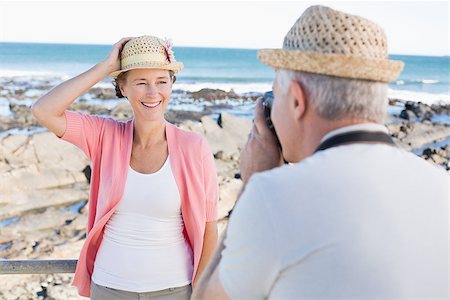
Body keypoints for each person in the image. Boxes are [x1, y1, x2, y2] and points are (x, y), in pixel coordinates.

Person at [193, 5, 449, 300]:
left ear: (298, 101)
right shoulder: (442, 187)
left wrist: (252, 184)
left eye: (276, 93)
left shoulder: (273, 196)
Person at [32, 35, 219, 299]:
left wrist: (200, 292)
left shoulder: (194, 147)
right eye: (141, 83)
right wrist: (106, 66)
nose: (153, 93)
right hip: (109, 288)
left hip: (175, 289)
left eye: (161, 82)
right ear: (123, 87)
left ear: (171, 85)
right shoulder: (103, 136)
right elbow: (43, 110)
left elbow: (210, 227)